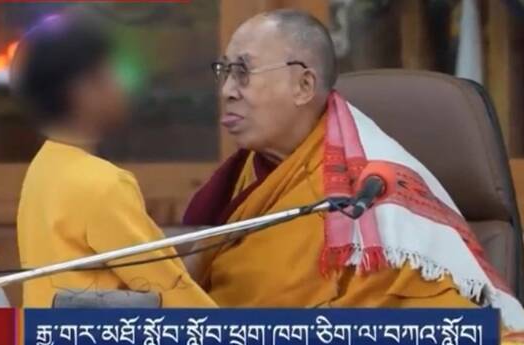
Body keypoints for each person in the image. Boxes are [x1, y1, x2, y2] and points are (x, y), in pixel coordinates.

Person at [183, 9, 524, 328]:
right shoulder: (247, 174)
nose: (227, 91)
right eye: (224, 71)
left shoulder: (368, 195)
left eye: (242, 72)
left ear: (303, 86)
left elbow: (448, 332)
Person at [12, 12, 215, 308]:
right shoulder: (103, 185)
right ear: (85, 89)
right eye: (117, 73)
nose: (125, 86)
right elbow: (173, 297)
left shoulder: (42, 168)